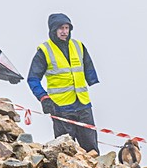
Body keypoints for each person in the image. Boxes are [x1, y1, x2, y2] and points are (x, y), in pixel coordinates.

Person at [27, 14, 99, 153]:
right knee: (65, 151)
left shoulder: (78, 46)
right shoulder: (45, 51)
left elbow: (88, 67)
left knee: (91, 150)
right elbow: (33, 78)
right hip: (61, 107)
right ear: (53, 30)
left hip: (83, 105)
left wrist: (92, 79)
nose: (64, 31)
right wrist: (43, 97)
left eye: (67, 28)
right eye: (61, 28)